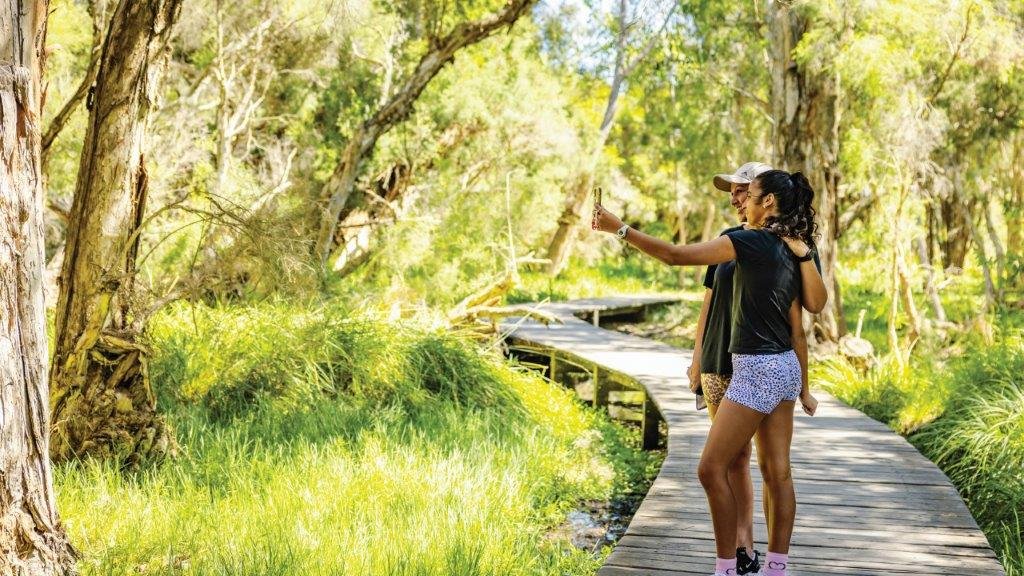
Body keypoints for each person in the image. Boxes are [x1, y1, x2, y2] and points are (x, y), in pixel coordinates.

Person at [592, 169, 823, 576]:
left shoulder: (749, 241)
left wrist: (619, 227)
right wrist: (803, 384)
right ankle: (775, 569)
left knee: (710, 468)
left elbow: (674, 255)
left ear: (767, 202)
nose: (742, 202)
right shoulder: (792, 247)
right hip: (785, 366)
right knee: (777, 472)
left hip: (757, 370)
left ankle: (725, 569)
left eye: (749, 195)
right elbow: (803, 318)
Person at [687, 162, 825, 575]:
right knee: (731, 461)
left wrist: (804, 384)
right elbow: (709, 301)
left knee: (760, 465)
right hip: (719, 357)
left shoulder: (783, 244)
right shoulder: (729, 240)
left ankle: (739, 560)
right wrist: (697, 358)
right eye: (731, 190)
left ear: (761, 196)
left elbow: (802, 315)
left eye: (741, 189)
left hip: (757, 361)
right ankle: (744, 546)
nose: (734, 196)